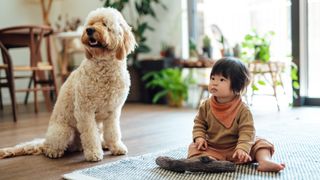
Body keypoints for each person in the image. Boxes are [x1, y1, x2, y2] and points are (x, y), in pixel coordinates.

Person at [156, 57, 285, 173]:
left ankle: (264, 161)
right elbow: (199, 123)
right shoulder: (206, 105)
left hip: (236, 148)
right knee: (193, 147)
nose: (215, 83)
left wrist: (243, 149)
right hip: (213, 147)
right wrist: (199, 137)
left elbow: (247, 131)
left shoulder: (243, 109)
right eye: (213, 78)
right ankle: (208, 161)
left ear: (237, 87)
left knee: (262, 143)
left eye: (222, 79)